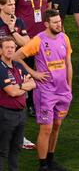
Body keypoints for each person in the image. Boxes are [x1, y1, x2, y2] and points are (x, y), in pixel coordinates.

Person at [12, 9, 72, 171]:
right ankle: (43, 165)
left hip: (63, 92)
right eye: (55, 22)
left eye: (60, 21)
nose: (59, 24)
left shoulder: (64, 38)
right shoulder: (38, 40)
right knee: (46, 128)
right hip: (46, 92)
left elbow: (68, 63)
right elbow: (16, 57)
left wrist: (69, 87)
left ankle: (51, 160)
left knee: (57, 125)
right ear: (46, 24)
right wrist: (34, 73)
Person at [0, 37, 35, 171]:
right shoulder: (1, 68)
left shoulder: (18, 65)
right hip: (6, 114)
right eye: (7, 47)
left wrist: (19, 86)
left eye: (12, 47)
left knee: (16, 148)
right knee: (2, 150)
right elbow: (12, 92)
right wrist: (23, 86)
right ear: (1, 50)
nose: (10, 50)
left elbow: (33, 83)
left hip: (21, 113)